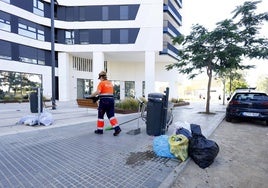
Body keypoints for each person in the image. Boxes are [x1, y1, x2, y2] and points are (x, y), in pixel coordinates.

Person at [90, 71, 121, 136]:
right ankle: (117, 128)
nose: (100, 79)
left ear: (101, 77)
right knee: (111, 116)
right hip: (111, 101)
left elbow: (98, 92)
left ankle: (100, 130)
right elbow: (107, 93)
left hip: (104, 102)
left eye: (100, 78)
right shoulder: (110, 83)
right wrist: (99, 97)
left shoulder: (101, 83)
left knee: (100, 116)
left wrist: (92, 95)